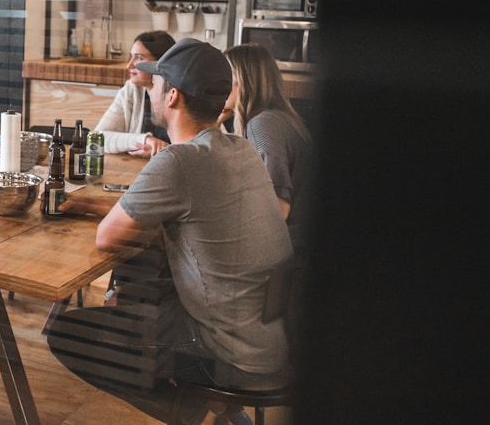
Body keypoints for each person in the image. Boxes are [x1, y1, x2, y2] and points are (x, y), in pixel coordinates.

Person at [49, 39, 293, 425]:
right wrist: (89, 204)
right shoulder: (238, 149)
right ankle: (226, 414)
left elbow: (107, 238)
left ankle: (190, 411)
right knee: (145, 292)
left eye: (157, 82)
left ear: (173, 95)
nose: (152, 89)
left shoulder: (180, 160)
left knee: (69, 334)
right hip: (268, 339)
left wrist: (100, 213)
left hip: (226, 353)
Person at [224, 42, 313, 254]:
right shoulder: (276, 117)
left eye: (223, 75)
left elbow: (276, 210)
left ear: (242, 80)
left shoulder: (263, 125)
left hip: (290, 250)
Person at [93, 30, 175, 157]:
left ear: (160, 63)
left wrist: (161, 151)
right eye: (131, 57)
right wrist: (145, 140)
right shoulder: (131, 90)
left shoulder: (179, 94)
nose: (129, 65)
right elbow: (97, 138)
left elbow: (192, 149)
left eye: (138, 58)